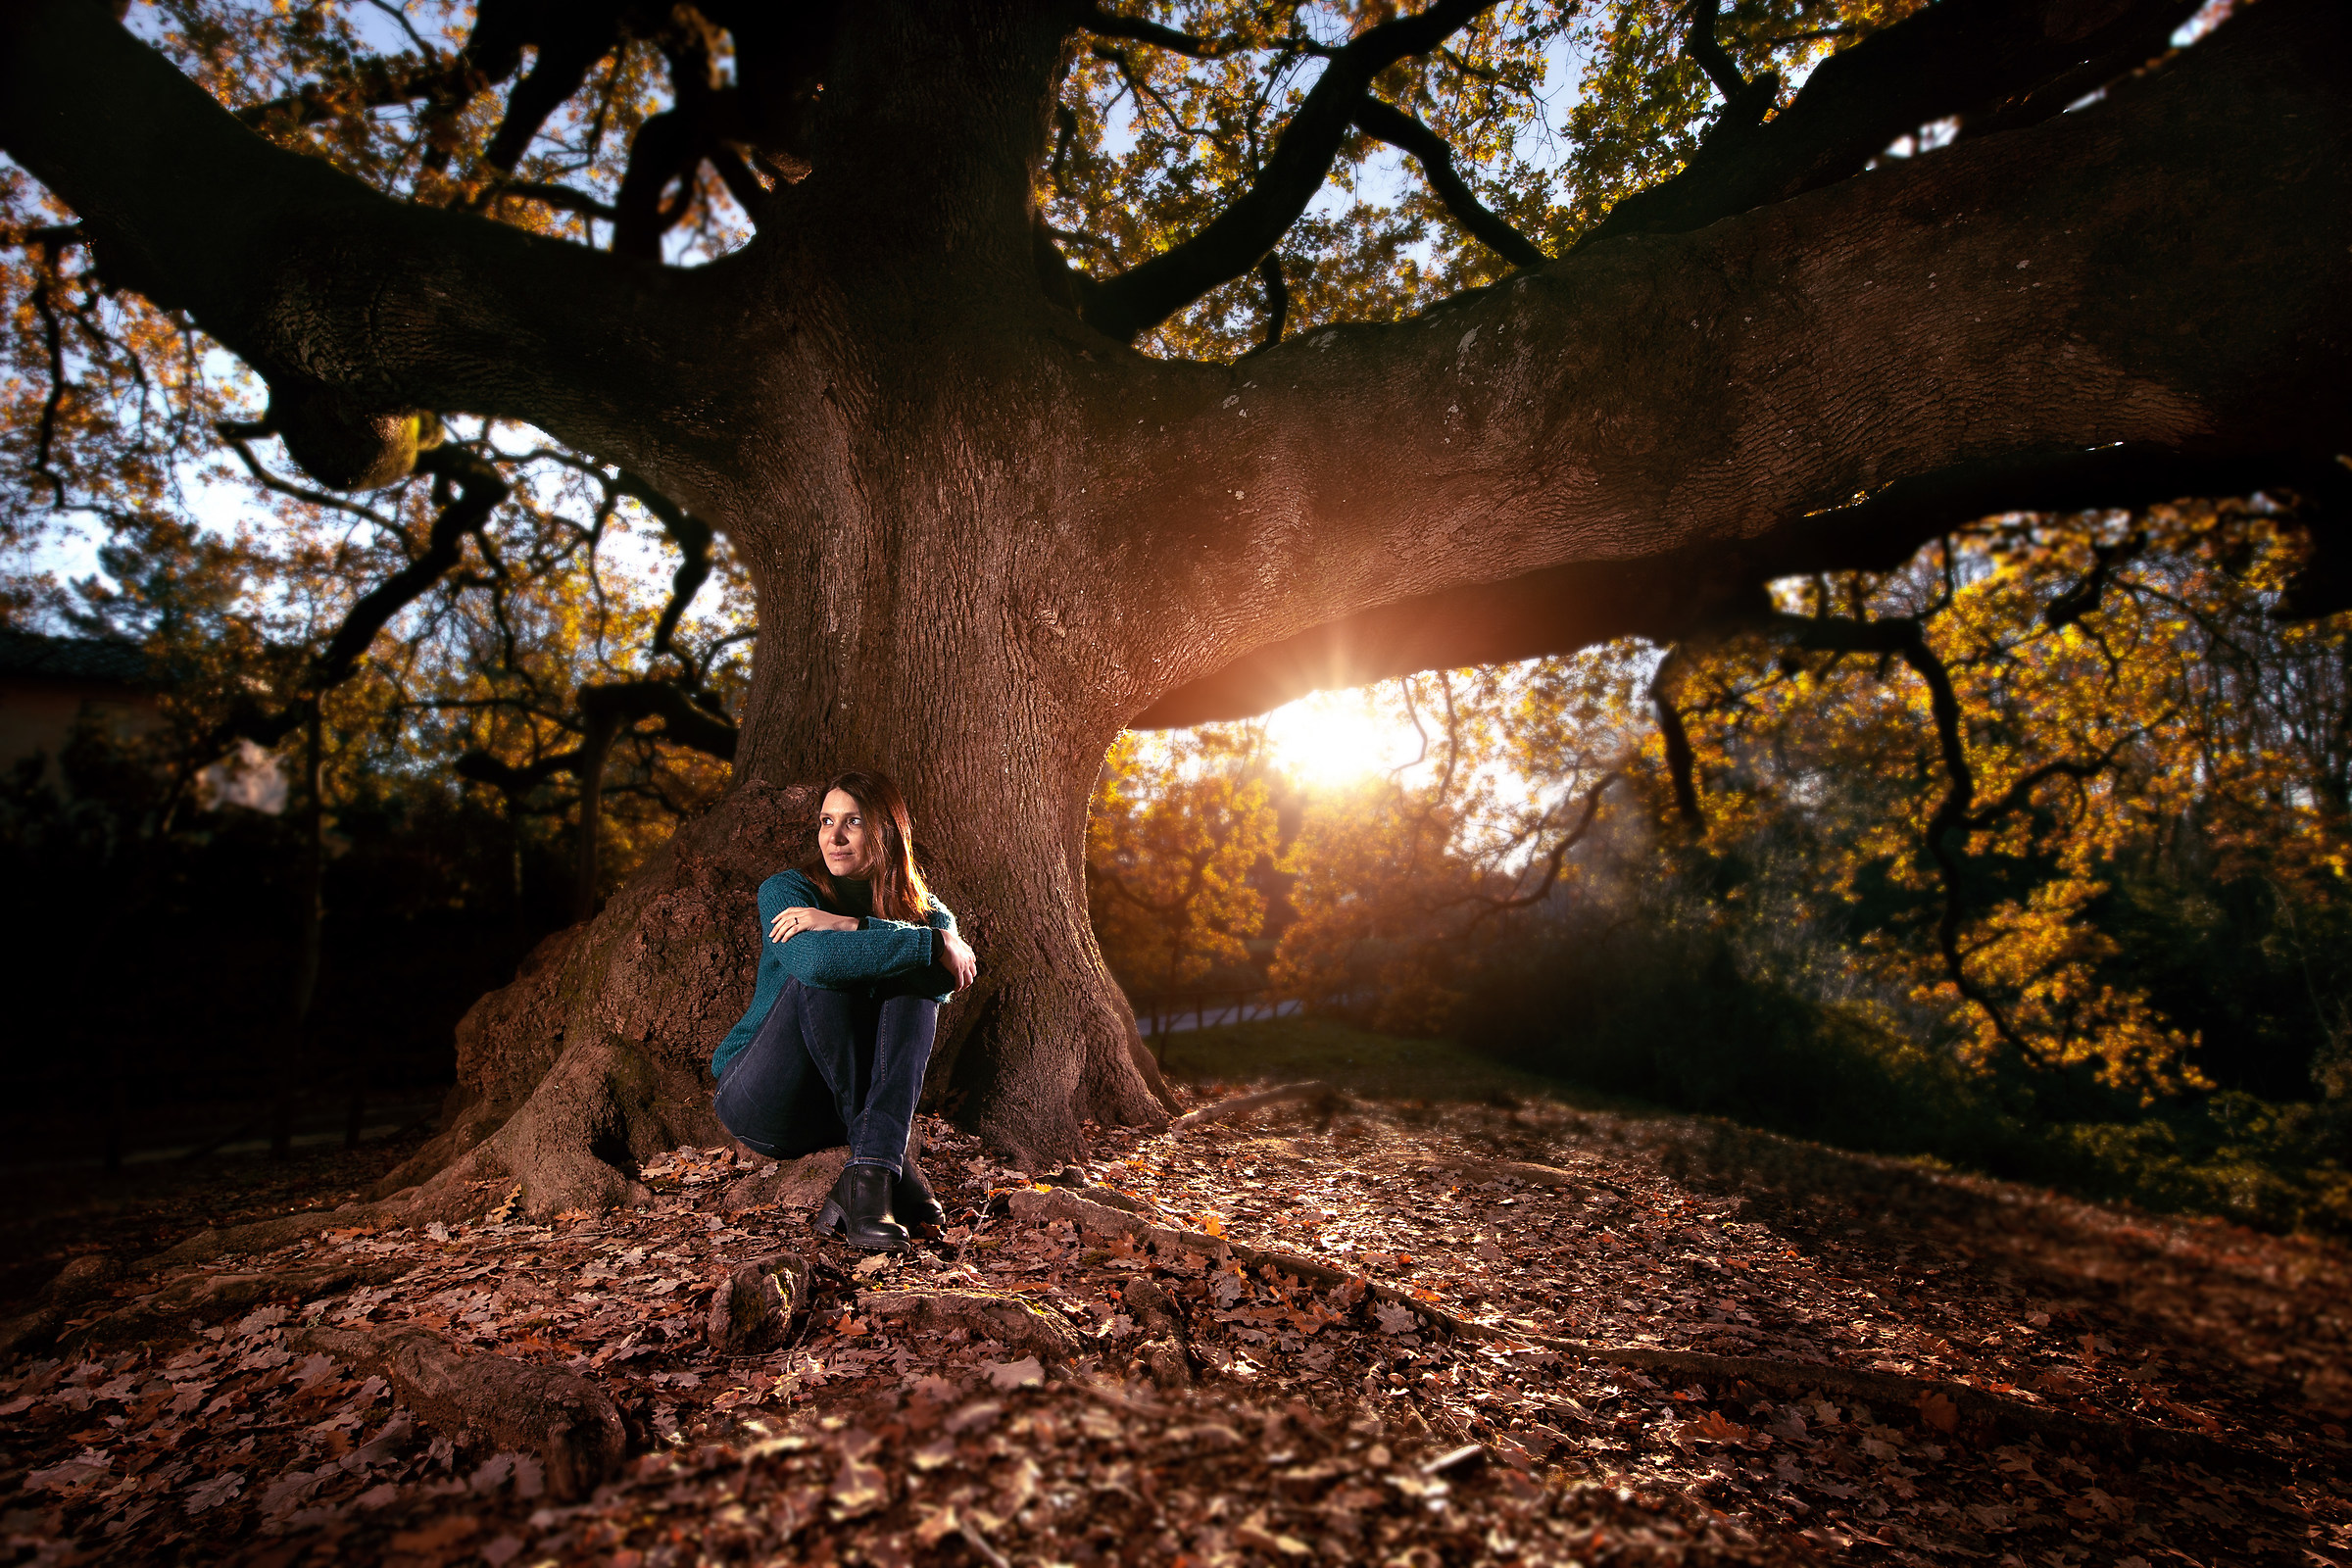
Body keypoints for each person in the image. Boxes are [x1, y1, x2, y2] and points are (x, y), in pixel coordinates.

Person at [710, 770, 978, 1250]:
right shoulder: (785, 891)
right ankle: (885, 1162)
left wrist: (850, 924)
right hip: (760, 1096)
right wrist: (930, 945)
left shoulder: (929, 914)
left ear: (887, 830)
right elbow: (817, 963)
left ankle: (867, 1175)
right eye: (826, 821)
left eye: (853, 822)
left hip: (835, 1115)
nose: (834, 837)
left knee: (915, 987)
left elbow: (944, 982)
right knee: (827, 973)